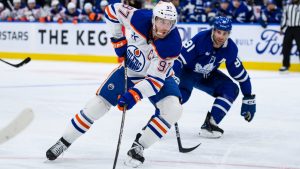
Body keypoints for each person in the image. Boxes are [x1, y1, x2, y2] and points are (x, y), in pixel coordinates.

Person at [46, 1, 182, 168]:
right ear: (154, 19)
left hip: (159, 78)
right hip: (130, 71)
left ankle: (138, 147)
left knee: (173, 110)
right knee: (97, 105)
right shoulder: (138, 17)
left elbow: (154, 81)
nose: (165, 27)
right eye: (162, 21)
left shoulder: (172, 45)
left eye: (169, 23)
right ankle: (64, 141)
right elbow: (111, 11)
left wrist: (134, 95)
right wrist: (118, 40)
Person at [173, 16, 256, 138]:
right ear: (213, 30)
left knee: (230, 89)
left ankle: (210, 125)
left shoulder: (230, 49)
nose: (221, 36)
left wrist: (248, 96)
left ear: (229, 34)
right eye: (218, 32)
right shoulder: (200, 39)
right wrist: (173, 77)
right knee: (179, 98)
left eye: (225, 33)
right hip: (188, 73)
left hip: (207, 76)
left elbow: (242, 76)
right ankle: (159, 120)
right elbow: (179, 60)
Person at [279, 0, 300, 72]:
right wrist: (282, 28)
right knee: (286, 47)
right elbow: (284, 18)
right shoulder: (287, 6)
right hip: (289, 28)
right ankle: (285, 65)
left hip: (299, 28)